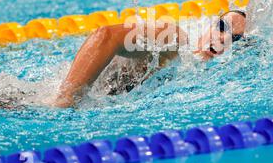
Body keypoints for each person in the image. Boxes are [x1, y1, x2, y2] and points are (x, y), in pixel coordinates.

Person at [53, 10, 247, 108]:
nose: (223, 38)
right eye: (222, 26)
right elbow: (106, 36)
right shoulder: (175, 38)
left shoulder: (203, 73)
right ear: (212, 23)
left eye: (235, 39)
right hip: (55, 105)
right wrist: (67, 97)